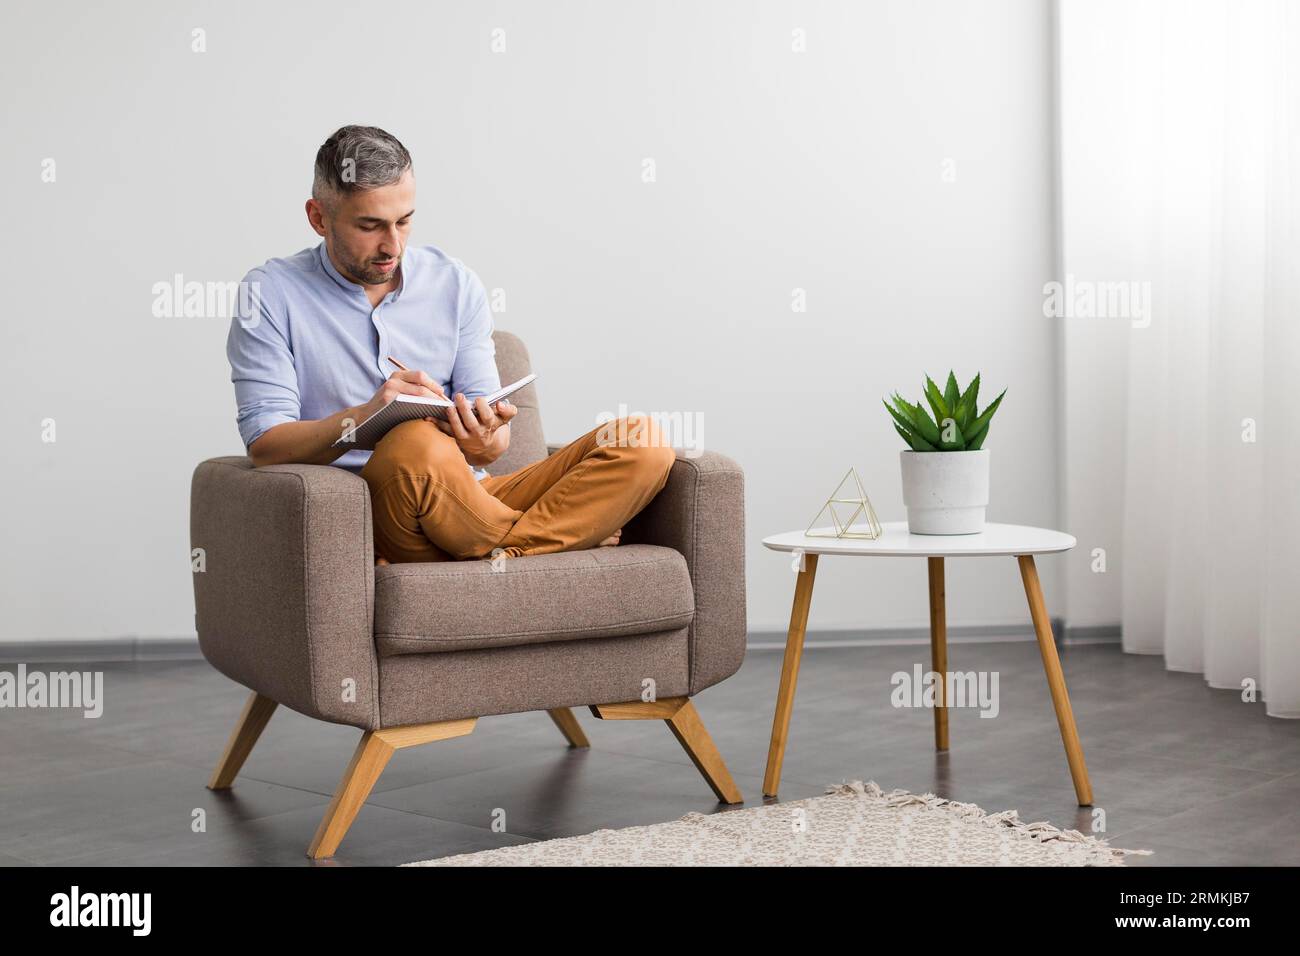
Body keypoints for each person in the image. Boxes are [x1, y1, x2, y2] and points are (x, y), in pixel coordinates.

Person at [226, 125, 676, 564]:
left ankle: (504, 548)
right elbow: (266, 445)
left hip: (470, 498)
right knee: (415, 440)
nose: (392, 244)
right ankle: (570, 533)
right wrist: (369, 418)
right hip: (377, 507)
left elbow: (492, 444)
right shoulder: (269, 293)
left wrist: (484, 438)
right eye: (370, 225)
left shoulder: (454, 284)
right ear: (318, 217)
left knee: (641, 441)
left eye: (404, 221)